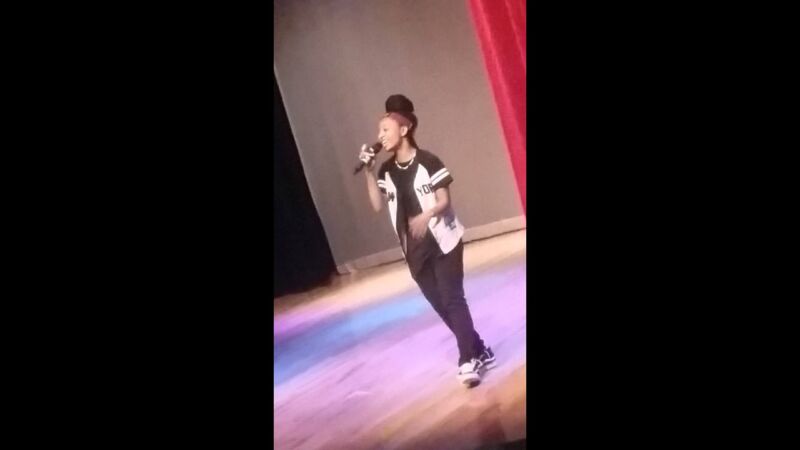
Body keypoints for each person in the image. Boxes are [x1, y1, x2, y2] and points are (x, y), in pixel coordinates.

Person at [359, 94, 495, 388]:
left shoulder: (428, 162)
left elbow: (444, 200)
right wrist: (369, 172)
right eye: (379, 131)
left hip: (444, 240)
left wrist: (426, 214)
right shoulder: (386, 171)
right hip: (414, 250)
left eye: (385, 129)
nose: (380, 136)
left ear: (404, 129)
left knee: (453, 298)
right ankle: (479, 349)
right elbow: (377, 206)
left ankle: (467, 360)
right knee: (440, 304)